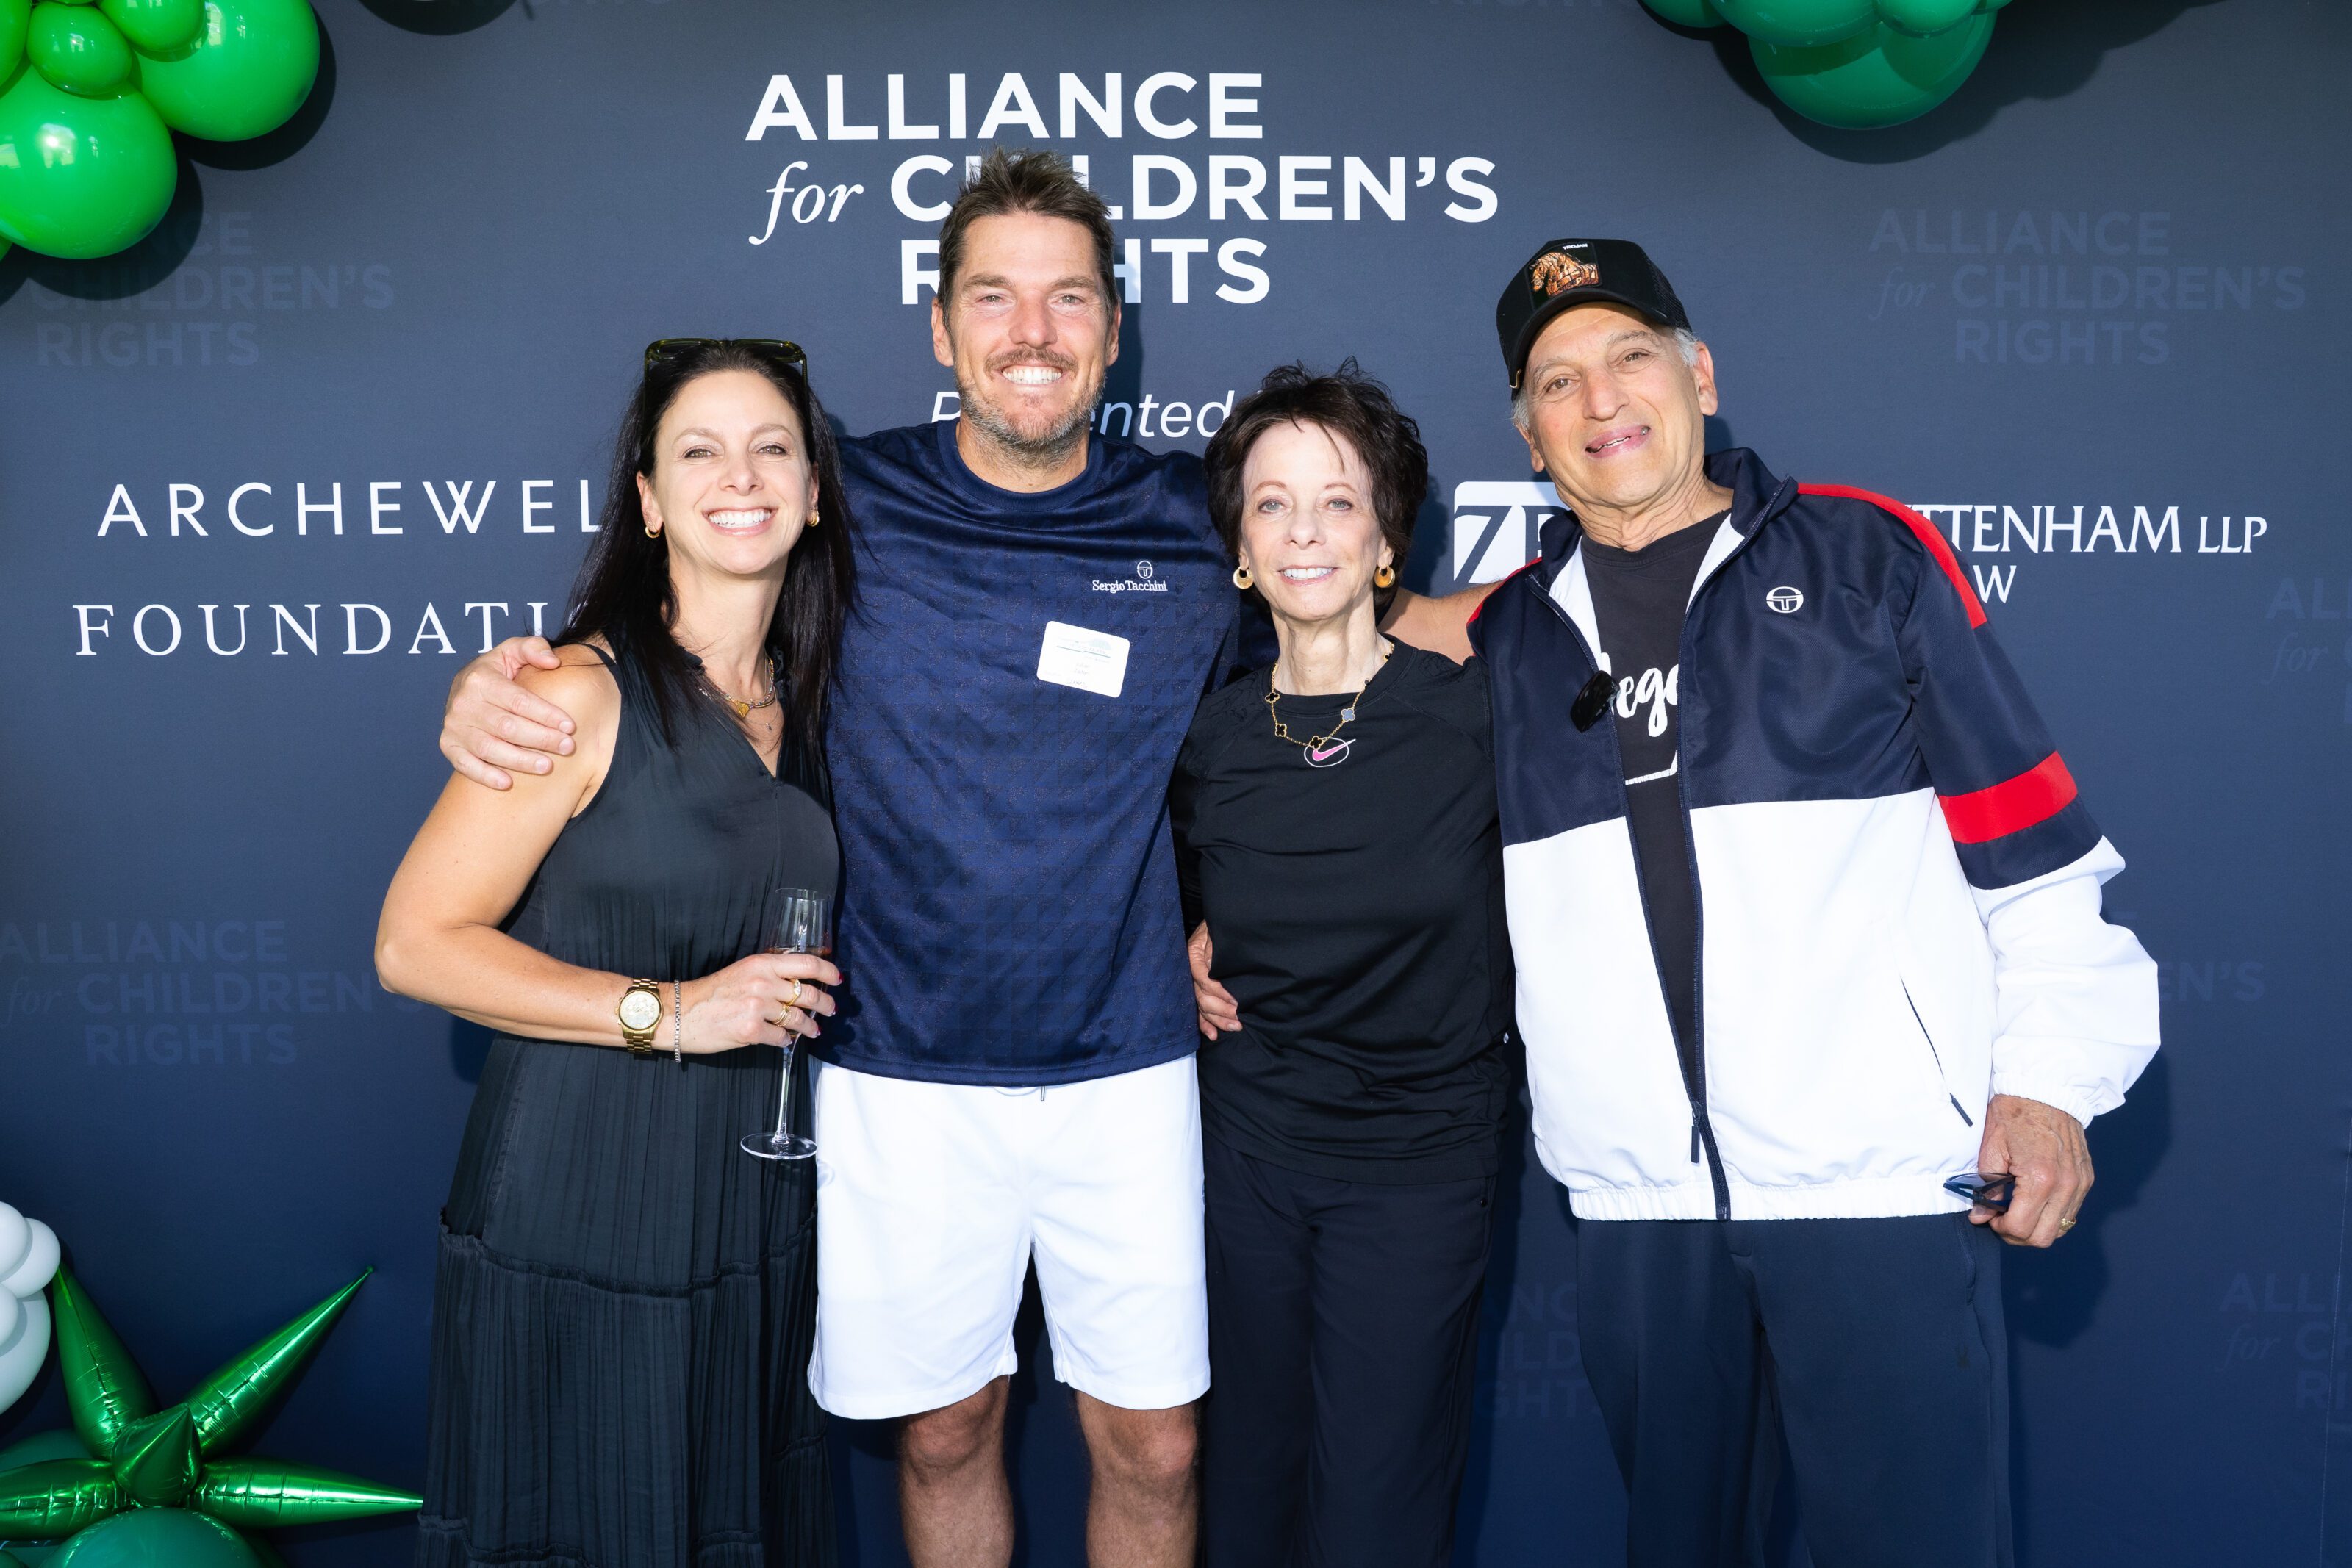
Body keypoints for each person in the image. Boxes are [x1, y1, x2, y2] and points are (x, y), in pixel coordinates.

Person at [434, 151, 1233, 1568]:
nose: (1031, 331)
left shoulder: (1199, 518)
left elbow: (1358, 632)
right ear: (940, 326)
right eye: (993, 296)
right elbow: (686, 595)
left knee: (1157, 1443)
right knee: (944, 1428)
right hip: (894, 1062)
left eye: (1068, 298)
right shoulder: (843, 498)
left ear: (1114, 329)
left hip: (1127, 1059)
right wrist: (495, 684)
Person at [1385, 237, 2162, 1565]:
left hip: (1874, 1189)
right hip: (1640, 1212)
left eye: (1631, 357)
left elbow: (2034, 854)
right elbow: (1327, 679)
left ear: (1701, 374)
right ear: (1529, 437)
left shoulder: (1868, 558)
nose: (1601, 400)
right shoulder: (1505, 635)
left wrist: (2051, 1082)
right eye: (1558, 381)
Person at [376, 338, 854, 1567]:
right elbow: (415, 944)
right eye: (699, 451)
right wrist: (673, 1010)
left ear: (812, 491)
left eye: (772, 448)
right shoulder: (577, 693)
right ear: (648, 499)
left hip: (747, 1205)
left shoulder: (815, 699)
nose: (739, 476)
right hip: (583, 1198)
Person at [1172, 364, 1513, 1567]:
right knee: (1245, 1494)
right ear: (1240, 548)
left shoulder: (1475, 715)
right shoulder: (1210, 735)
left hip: (1420, 1165)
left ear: (1385, 540)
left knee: (1378, 1511)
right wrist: (1178, 950)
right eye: (1272, 505)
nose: (1304, 532)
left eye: (1337, 502)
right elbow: (1162, 899)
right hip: (1247, 1160)